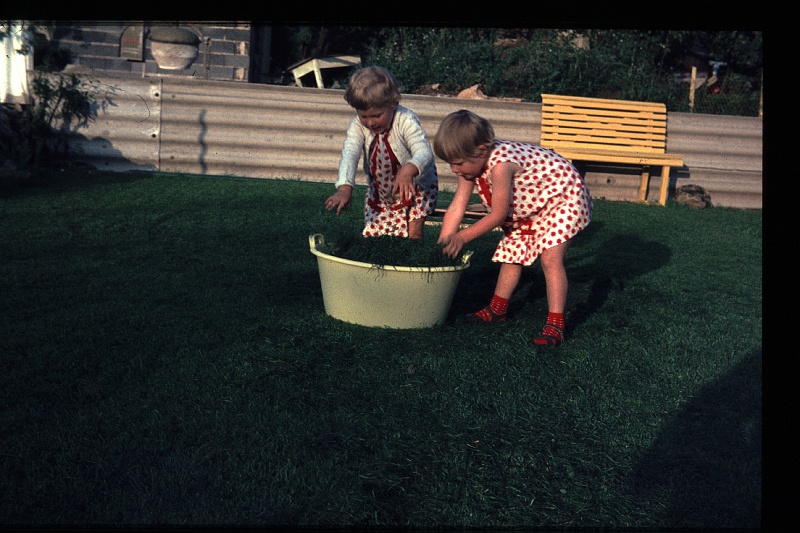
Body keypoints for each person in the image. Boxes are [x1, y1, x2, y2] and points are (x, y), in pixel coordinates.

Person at [433, 110, 592, 347]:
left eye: (458, 163)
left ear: (481, 149)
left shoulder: (500, 166)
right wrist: (445, 239)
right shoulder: (470, 165)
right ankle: (498, 309)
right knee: (512, 251)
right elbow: (458, 205)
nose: (455, 170)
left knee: (550, 258)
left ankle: (556, 324)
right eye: (451, 164)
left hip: (564, 196)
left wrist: (462, 237)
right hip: (534, 205)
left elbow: (497, 215)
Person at [324, 66, 438, 239]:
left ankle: (414, 259)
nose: (370, 123)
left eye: (376, 115)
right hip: (382, 190)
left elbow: (424, 152)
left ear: (394, 104)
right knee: (377, 235)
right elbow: (350, 154)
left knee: (413, 231)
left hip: (416, 187)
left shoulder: (405, 119)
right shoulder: (357, 126)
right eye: (363, 116)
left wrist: (408, 170)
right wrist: (345, 188)